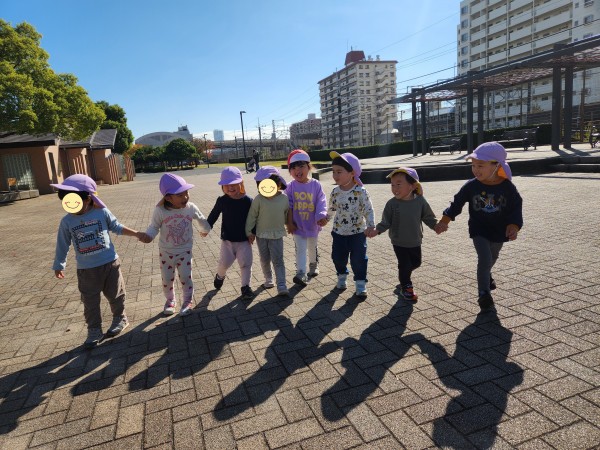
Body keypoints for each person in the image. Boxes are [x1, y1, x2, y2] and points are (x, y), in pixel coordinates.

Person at [51, 174, 146, 349]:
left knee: (116, 295)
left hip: (110, 264)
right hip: (86, 270)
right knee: (90, 302)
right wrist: (59, 264)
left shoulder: (101, 212)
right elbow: (62, 243)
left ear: (88, 198)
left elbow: (116, 227)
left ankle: (120, 318)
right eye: (65, 201)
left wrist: (136, 234)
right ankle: (94, 330)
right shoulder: (67, 221)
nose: (69, 205)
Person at [434, 142, 523, 312]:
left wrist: (514, 225)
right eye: (473, 165)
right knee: (485, 258)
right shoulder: (471, 185)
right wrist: (445, 220)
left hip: (499, 230)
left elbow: (516, 206)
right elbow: (457, 203)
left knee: (493, 256)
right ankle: (484, 293)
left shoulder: (507, 187)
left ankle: (486, 275)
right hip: (479, 229)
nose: (475, 170)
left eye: (480, 165)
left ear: (496, 166)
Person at [141, 173, 211, 316]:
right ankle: (170, 300)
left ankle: (187, 301)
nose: (185, 197)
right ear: (168, 198)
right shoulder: (160, 211)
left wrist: (205, 230)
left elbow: (201, 219)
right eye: (180, 195)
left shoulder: (190, 207)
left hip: (185, 250)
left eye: (186, 193)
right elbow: (154, 226)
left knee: (186, 276)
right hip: (166, 252)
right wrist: (148, 236)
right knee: (167, 279)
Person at [367, 167, 437, 302]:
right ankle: (406, 286)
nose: (395, 188)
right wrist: (377, 230)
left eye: (399, 184)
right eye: (392, 185)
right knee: (404, 264)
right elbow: (386, 221)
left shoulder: (420, 201)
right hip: (398, 241)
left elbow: (428, 217)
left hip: (415, 240)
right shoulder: (392, 204)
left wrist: (436, 226)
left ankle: (404, 277)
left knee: (416, 262)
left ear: (412, 186)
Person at [328, 152, 376, 298]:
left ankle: (360, 284)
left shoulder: (360, 191)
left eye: (339, 172)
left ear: (352, 172)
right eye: (333, 172)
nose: (335, 175)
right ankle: (342, 276)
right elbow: (332, 208)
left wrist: (371, 225)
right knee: (338, 258)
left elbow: (368, 209)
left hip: (358, 233)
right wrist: (325, 218)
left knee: (359, 260)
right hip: (339, 233)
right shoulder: (335, 192)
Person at [206, 167, 254, 300]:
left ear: (241, 183)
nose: (230, 187)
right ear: (222, 186)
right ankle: (220, 276)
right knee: (224, 263)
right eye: (226, 185)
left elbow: (254, 218)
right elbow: (213, 215)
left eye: (234, 184)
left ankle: (245, 287)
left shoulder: (248, 201)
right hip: (227, 241)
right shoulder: (222, 200)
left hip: (244, 240)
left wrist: (253, 232)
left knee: (246, 263)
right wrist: (206, 228)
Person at [285, 149, 328, 286]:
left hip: (312, 224)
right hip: (297, 225)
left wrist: (321, 215)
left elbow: (321, 201)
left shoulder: (315, 184)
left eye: (301, 166)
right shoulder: (290, 187)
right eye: (293, 168)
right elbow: (287, 206)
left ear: (309, 167)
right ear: (290, 171)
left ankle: (313, 265)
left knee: (312, 246)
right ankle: (301, 273)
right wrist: (289, 223)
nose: (297, 170)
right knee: (300, 248)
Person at [245, 166, 290, 296]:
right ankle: (268, 279)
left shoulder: (284, 199)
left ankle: (282, 285)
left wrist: (290, 224)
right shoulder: (258, 199)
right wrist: (249, 232)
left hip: (277, 235)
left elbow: (287, 214)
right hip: (261, 235)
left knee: (278, 260)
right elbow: (252, 216)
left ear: (278, 184)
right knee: (264, 259)